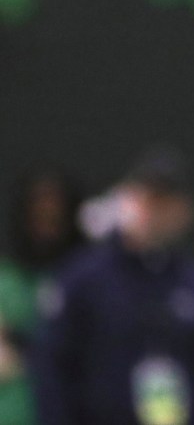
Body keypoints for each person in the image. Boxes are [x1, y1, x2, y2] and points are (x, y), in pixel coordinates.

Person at [29, 147, 194, 425]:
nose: (154, 210)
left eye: (165, 201)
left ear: (185, 211)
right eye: (147, 198)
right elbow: (53, 370)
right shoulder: (82, 280)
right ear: (126, 199)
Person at [0, 166, 85, 425]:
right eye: (39, 209)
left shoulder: (89, 282)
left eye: (55, 210)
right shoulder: (6, 280)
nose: (47, 214)